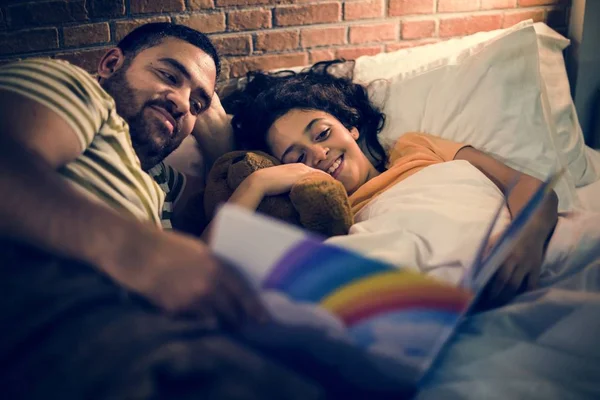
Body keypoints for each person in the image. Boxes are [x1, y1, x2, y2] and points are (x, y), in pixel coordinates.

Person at [221, 60, 559, 307]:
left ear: (349, 125)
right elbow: (214, 262)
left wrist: (527, 238)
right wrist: (257, 183)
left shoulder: (416, 147)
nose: (320, 152)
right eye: (297, 156)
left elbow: (528, 187)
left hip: (519, 268)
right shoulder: (328, 216)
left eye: (323, 133)